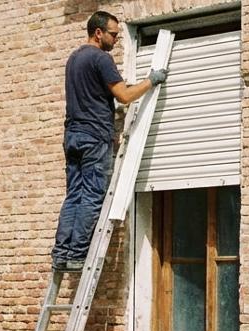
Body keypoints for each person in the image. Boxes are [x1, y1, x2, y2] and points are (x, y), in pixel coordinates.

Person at [52, 11, 167, 271]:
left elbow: (91, 94)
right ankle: (76, 256)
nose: (116, 39)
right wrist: (151, 80)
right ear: (98, 33)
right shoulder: (101, 58)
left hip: (72, 135)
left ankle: (61, 254)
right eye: (114, 34)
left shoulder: (74, 58)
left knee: (74, 195)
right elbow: (124, 96)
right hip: (94, 136)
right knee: (92, 195)